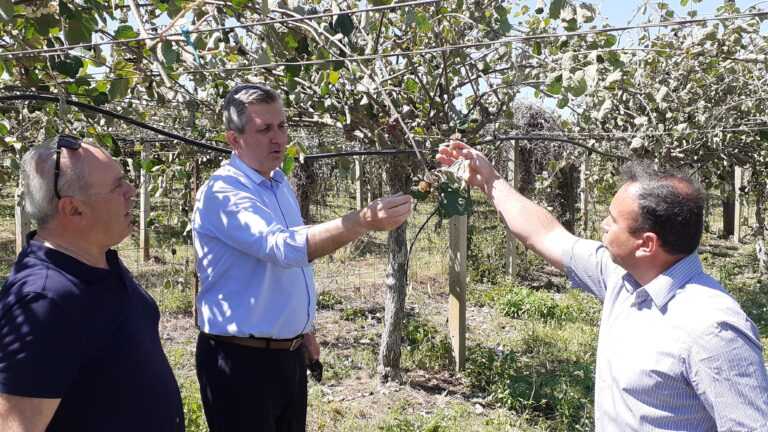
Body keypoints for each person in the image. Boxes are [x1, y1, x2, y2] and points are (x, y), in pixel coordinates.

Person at [437, 141, 768, 431]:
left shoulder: (713, 329)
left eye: (613, 219)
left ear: (646, 244)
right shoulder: (621, 278)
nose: (603, 224)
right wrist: (490, 180)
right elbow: (546, 234)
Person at [192, 83, 412, 432]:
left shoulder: (278, 184)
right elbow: (282, 248)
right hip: (240, 363)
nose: (277, 138)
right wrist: (362, 221)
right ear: (234, 140)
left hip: (287, 357)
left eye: (281, 126)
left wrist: (304, 330)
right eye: (264, 129)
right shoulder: (224, 193)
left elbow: (293, 268)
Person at [0, 136, 184, 431]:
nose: (131, 191)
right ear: (73, 209)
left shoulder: (99, 259)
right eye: (116, 187)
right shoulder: (44, 300)